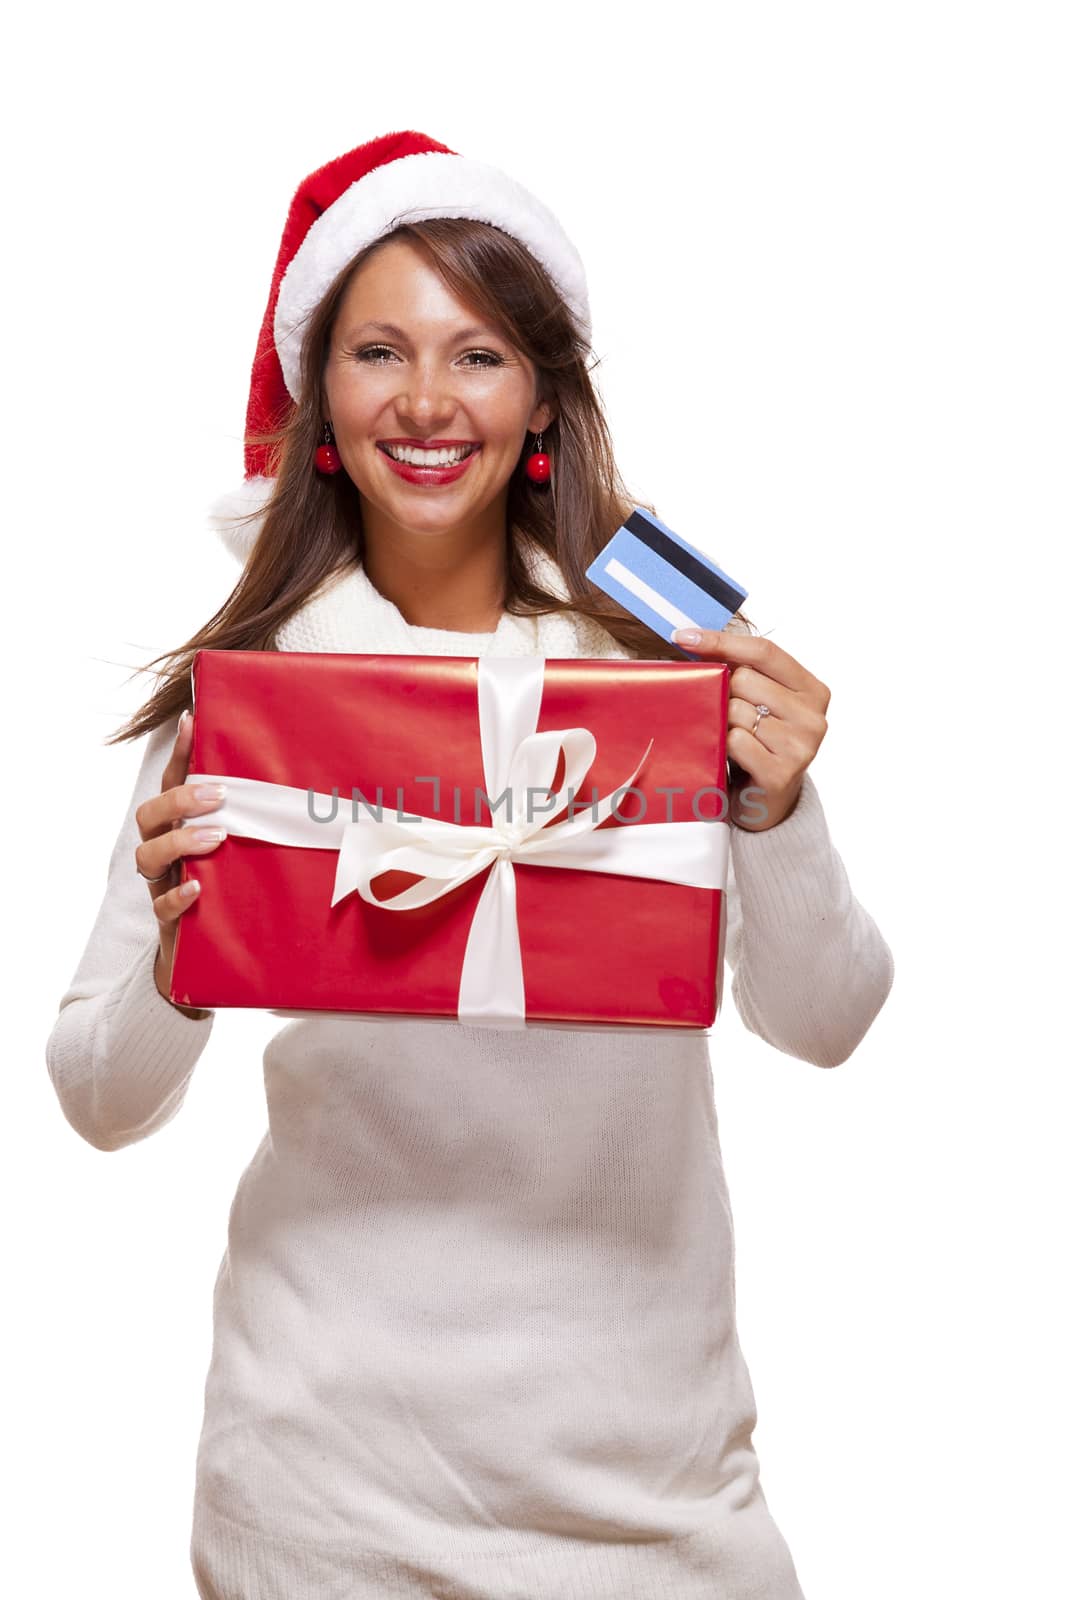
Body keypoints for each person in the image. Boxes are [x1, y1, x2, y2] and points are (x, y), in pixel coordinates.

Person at [45, 130, 894, 1599]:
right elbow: (97, 1099)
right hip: (324, 1488)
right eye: (380, 352)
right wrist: (187, 953)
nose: (428, 402)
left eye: (480, 355)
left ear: (543, 400)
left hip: (656, 1476)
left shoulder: (656, 670)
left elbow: (826, 1022)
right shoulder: (247, 702)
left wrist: (778, 811)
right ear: (323, 405)